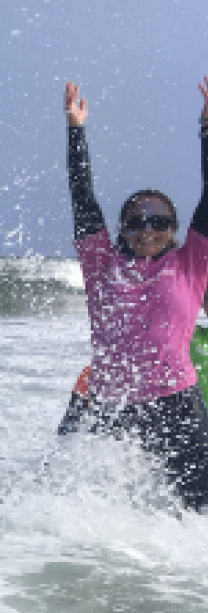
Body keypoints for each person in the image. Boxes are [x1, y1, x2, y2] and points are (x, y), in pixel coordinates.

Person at [60, 77, 208, 510]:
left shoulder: (191, 262)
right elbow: (82, 198)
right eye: (137, 220)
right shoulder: (101, 262)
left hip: (176, 403)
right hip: (110, 406)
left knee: (198, 515)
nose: (148, 228)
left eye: (159, 221)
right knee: (105, 519)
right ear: (123, 228)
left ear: (175, 229)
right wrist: (75, 132)